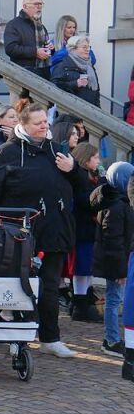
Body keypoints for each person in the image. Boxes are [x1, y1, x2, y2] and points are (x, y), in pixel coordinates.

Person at [0, 104, 78, 357]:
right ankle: (17, 338)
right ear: (23, 125)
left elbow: (81, 187)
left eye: (45, 121)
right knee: (18, 284)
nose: (44, 126)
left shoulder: (57, 151)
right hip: (18, 231)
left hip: (54, 230)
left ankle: (50, 338)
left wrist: (74, 169)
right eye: (38, 123)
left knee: (49, 285)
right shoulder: (6, 152)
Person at [90, 163, 134, 356]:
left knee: (115, 299)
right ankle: (111, 340)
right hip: (116, 262)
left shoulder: (118, 201)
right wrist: (120, 270)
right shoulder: (116, 205)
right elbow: (113, 240)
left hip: (118, 260)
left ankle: (113, 337)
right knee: (114, 300)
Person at [69, 142, 103, 323]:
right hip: (81, 230)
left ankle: (83, 300)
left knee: (87, 269)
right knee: (81, 269)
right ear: (86, 159)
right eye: (95, 158)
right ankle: (80, 304)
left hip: (88, 230)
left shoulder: (92, 177)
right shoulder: (80, 179)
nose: (98, 161)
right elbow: (87, 201)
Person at [4, 0, 52, 78]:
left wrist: (51, 48)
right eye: (36, 4)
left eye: (41, 4)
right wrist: (35, 52)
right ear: (25, 6)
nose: (39, 7)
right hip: (23, 72)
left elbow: (45, 46)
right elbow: (10, 49)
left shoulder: (40, 25)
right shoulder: (13, 25)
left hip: (43, 71)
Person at [52, 35, 101, 106]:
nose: (88, 50)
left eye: (88, 47)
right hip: (72, 110)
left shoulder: (90, 67)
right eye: (84, 47)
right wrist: (75, 84)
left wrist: (98, 109)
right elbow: (53, 87)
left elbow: (96, 92)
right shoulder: (62, 66)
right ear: (73, 49)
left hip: (90, 112)